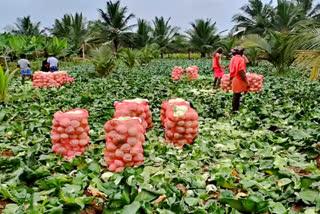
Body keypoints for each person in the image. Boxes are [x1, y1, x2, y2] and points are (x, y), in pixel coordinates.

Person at [230, 47, 250, 112]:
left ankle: (234, 109)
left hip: (234, 78)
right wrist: (246, 81)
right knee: (237, 95)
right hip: (239, 78)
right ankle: (235, 110)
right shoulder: (241, 59)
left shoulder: (233, 58)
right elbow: (240, 70)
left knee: (236, 94)